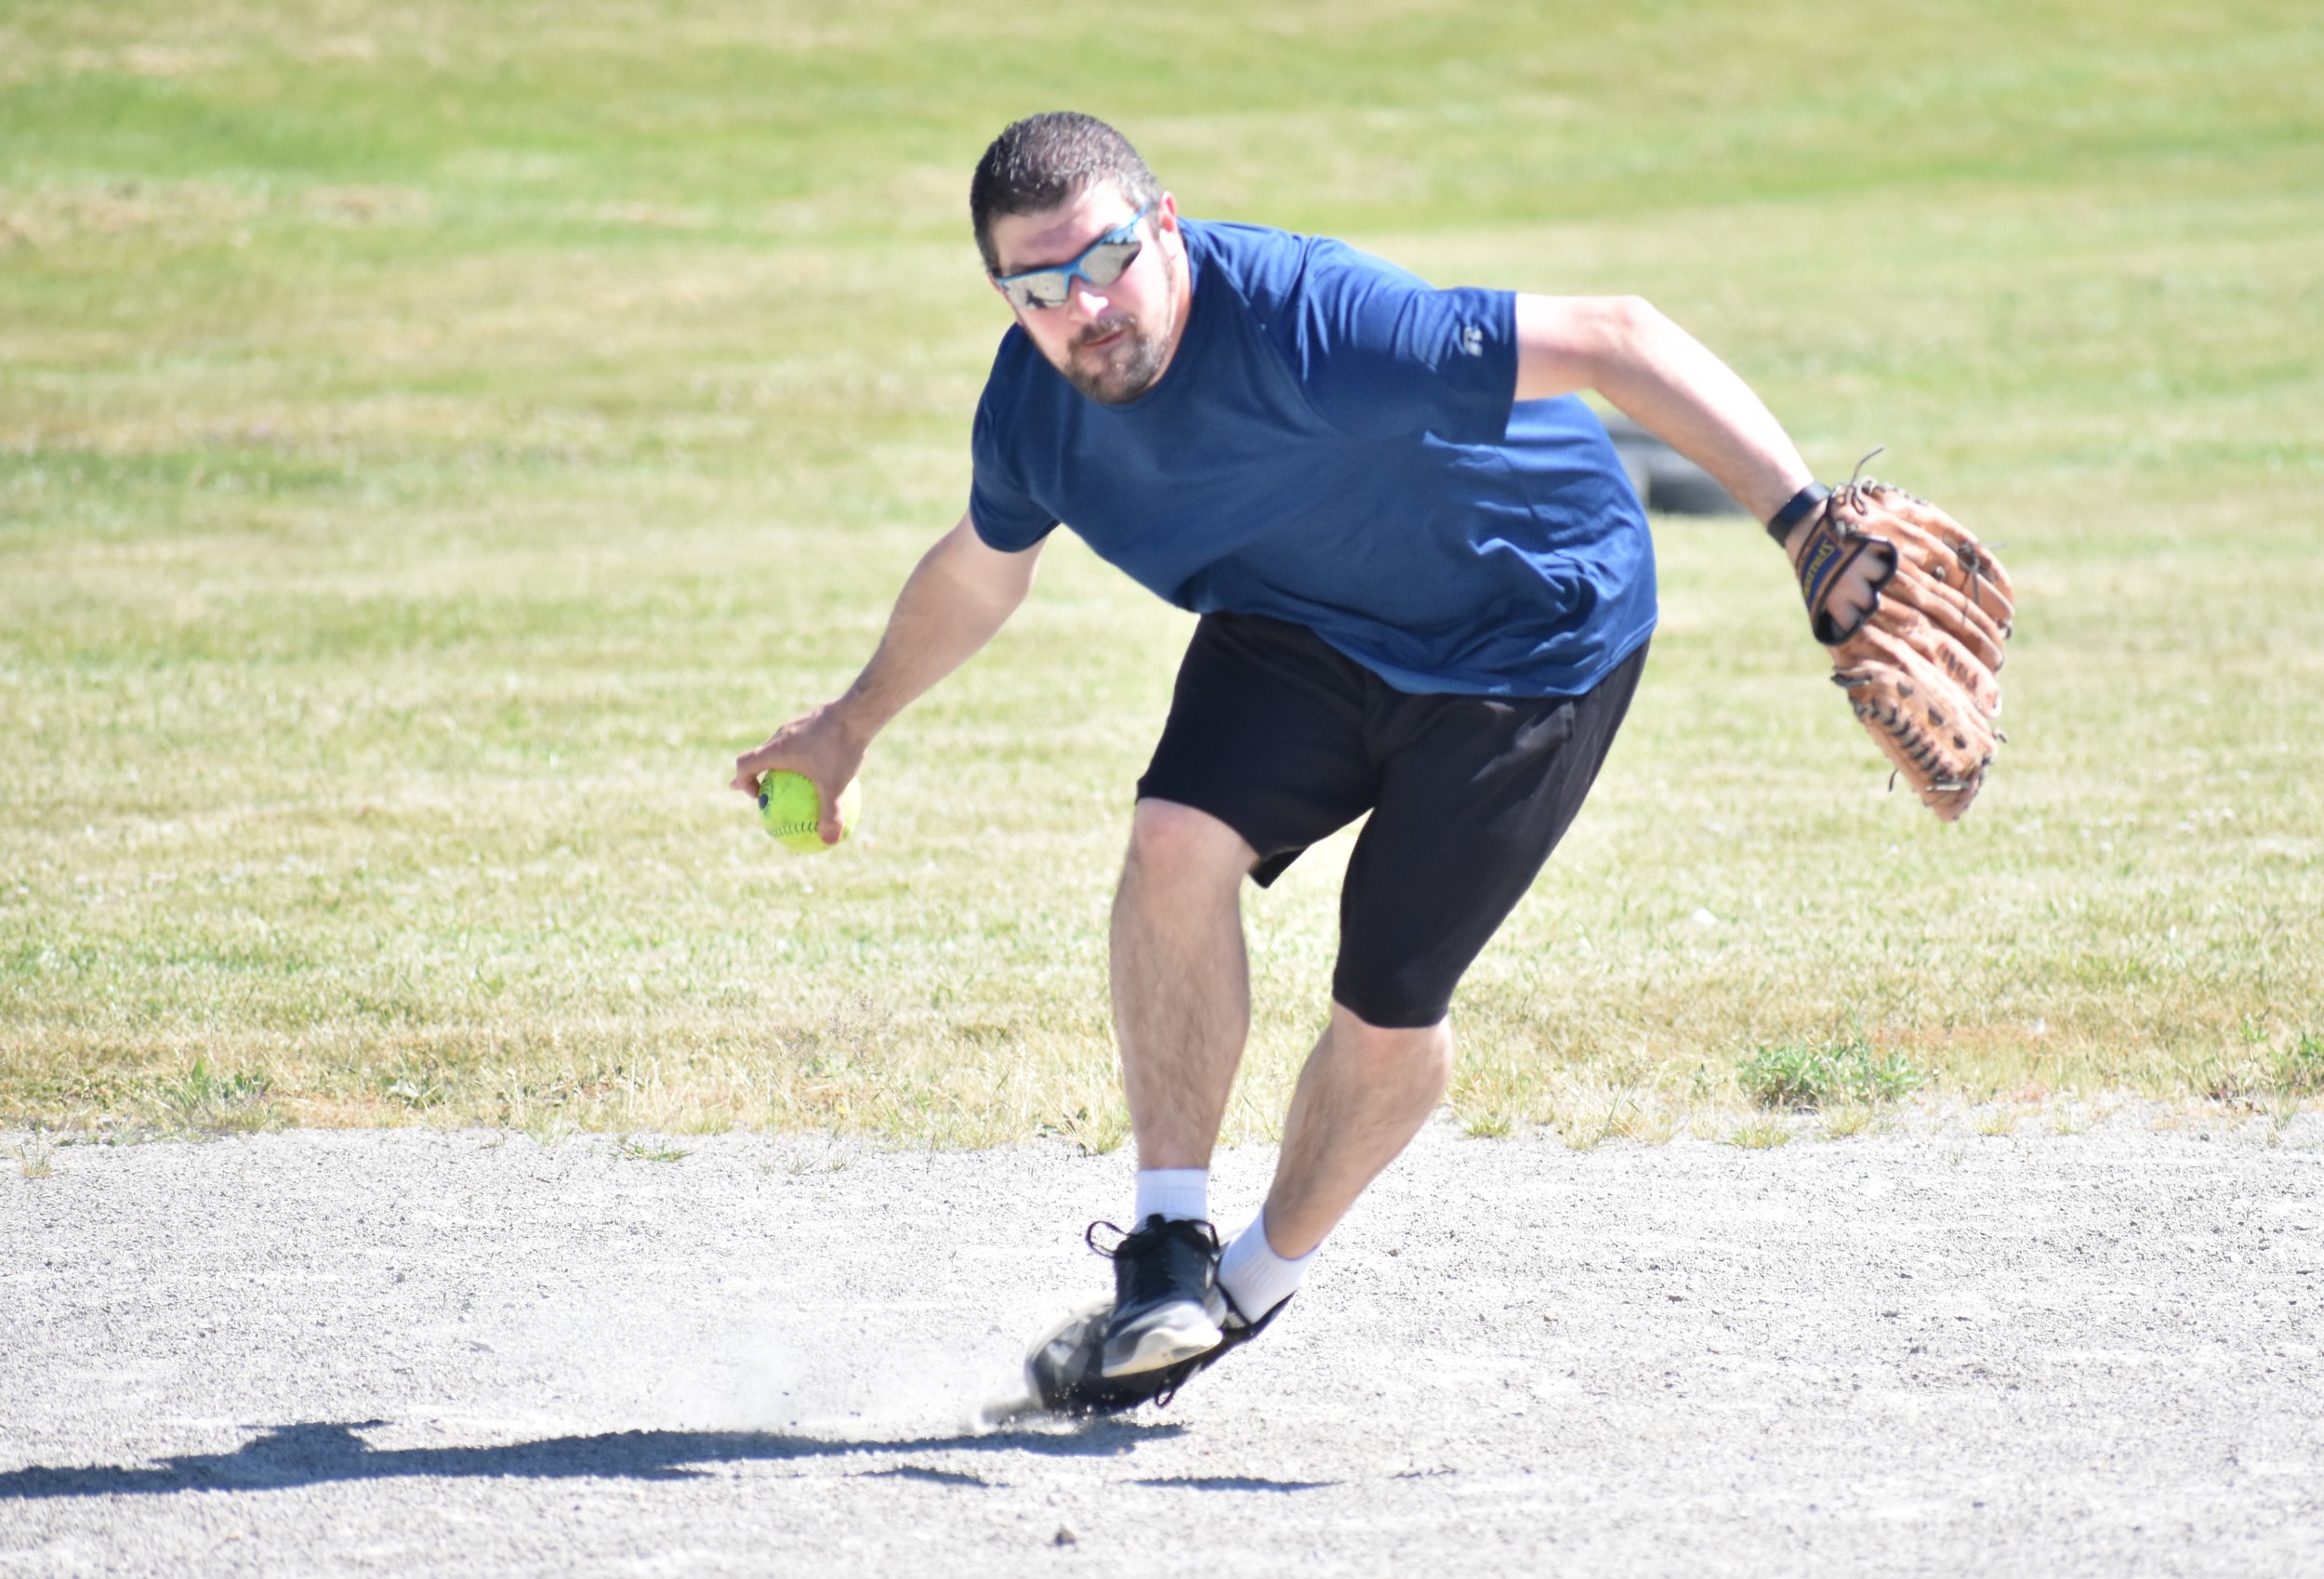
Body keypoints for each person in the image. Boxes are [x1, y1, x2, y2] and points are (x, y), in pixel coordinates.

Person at [731, 112, 1883, 1412]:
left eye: (1105, 258)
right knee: (1174, 839)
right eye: (1038, 287)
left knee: (1386, 1013)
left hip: (1527, 635)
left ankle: (1243, 1291)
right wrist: (846, 725)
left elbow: (1618, 337)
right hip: (1302, 625)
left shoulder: (1314, 325)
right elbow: (976, 574)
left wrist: (1806, 530)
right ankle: (1164, 1252)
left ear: (1164, 225)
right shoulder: (1037, 410)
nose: (1084, 306)